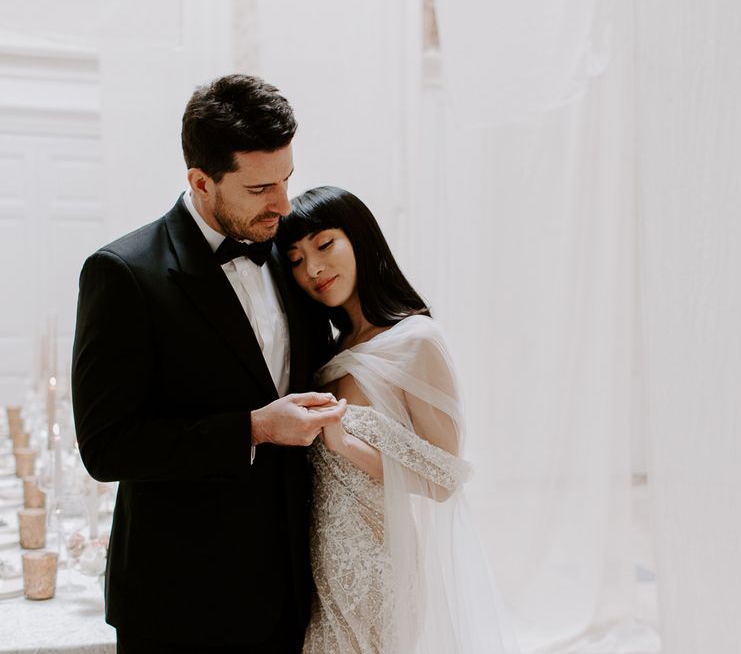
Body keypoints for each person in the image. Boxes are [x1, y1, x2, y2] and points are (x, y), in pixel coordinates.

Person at [71, 75, 347, 653]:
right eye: (260, 188)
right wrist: (253, 428)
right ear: (200, 181)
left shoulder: (289, 252)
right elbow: (106, 447)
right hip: (179, 598)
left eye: (287, 179)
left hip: (291, 587)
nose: (282, 204)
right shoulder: (122, 274)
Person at [276, 186, 510, 653]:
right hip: (320, 571)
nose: (314, 269)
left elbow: (444, 477)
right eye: (297, 260)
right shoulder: (328, 352)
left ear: (360, 238)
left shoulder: (416, 339)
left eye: (324, 245)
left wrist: (345, 442)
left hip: (377, 570)